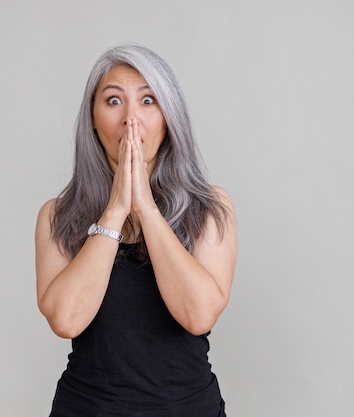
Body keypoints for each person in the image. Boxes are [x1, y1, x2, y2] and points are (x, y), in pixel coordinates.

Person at [35, 44, 237, 417]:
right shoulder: (58, 215)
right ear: (93, 119)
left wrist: (145, 208)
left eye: (148, 101)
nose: (131, 119)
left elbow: (198, 315)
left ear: (169, 116)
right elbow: (65, 320)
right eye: (113, 101)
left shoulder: (211, 207)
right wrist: (115, 211)